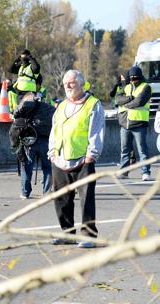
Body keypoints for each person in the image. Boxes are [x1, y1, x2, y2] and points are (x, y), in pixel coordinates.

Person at [48, 70, 105, 248]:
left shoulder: (93, 104)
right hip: (60, 159)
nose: (68, 86)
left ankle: (89, 236)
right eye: (65, 83)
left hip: (82, 160)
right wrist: (52, 152)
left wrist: (91, 155)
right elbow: (54, 130)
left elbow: (97, 131)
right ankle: (67, 234)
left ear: (81, 84)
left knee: (86, 200)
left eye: (72, 82)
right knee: (61, 199)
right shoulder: (62, 105)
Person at [9, 92, 54, 199]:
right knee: (47, 167)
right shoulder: (49, 108)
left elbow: (14, 126)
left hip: (30, 142)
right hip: (46, 141)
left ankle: (25, 192)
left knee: (26, 166)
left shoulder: (24, 108)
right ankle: (47, 192)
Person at [115, 66, 153, 181]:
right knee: (125, 150)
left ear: (140, 77)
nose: (133, 80)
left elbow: (139, 101)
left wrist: (125, 104)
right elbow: (117, 99)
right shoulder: (126, 87)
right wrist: (130, 98)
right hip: (125, 124)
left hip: (139, 124)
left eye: (135, 78)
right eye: (131, 78)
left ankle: (145, 172)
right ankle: (123, 172)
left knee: (142, 149)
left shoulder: (146, 87)